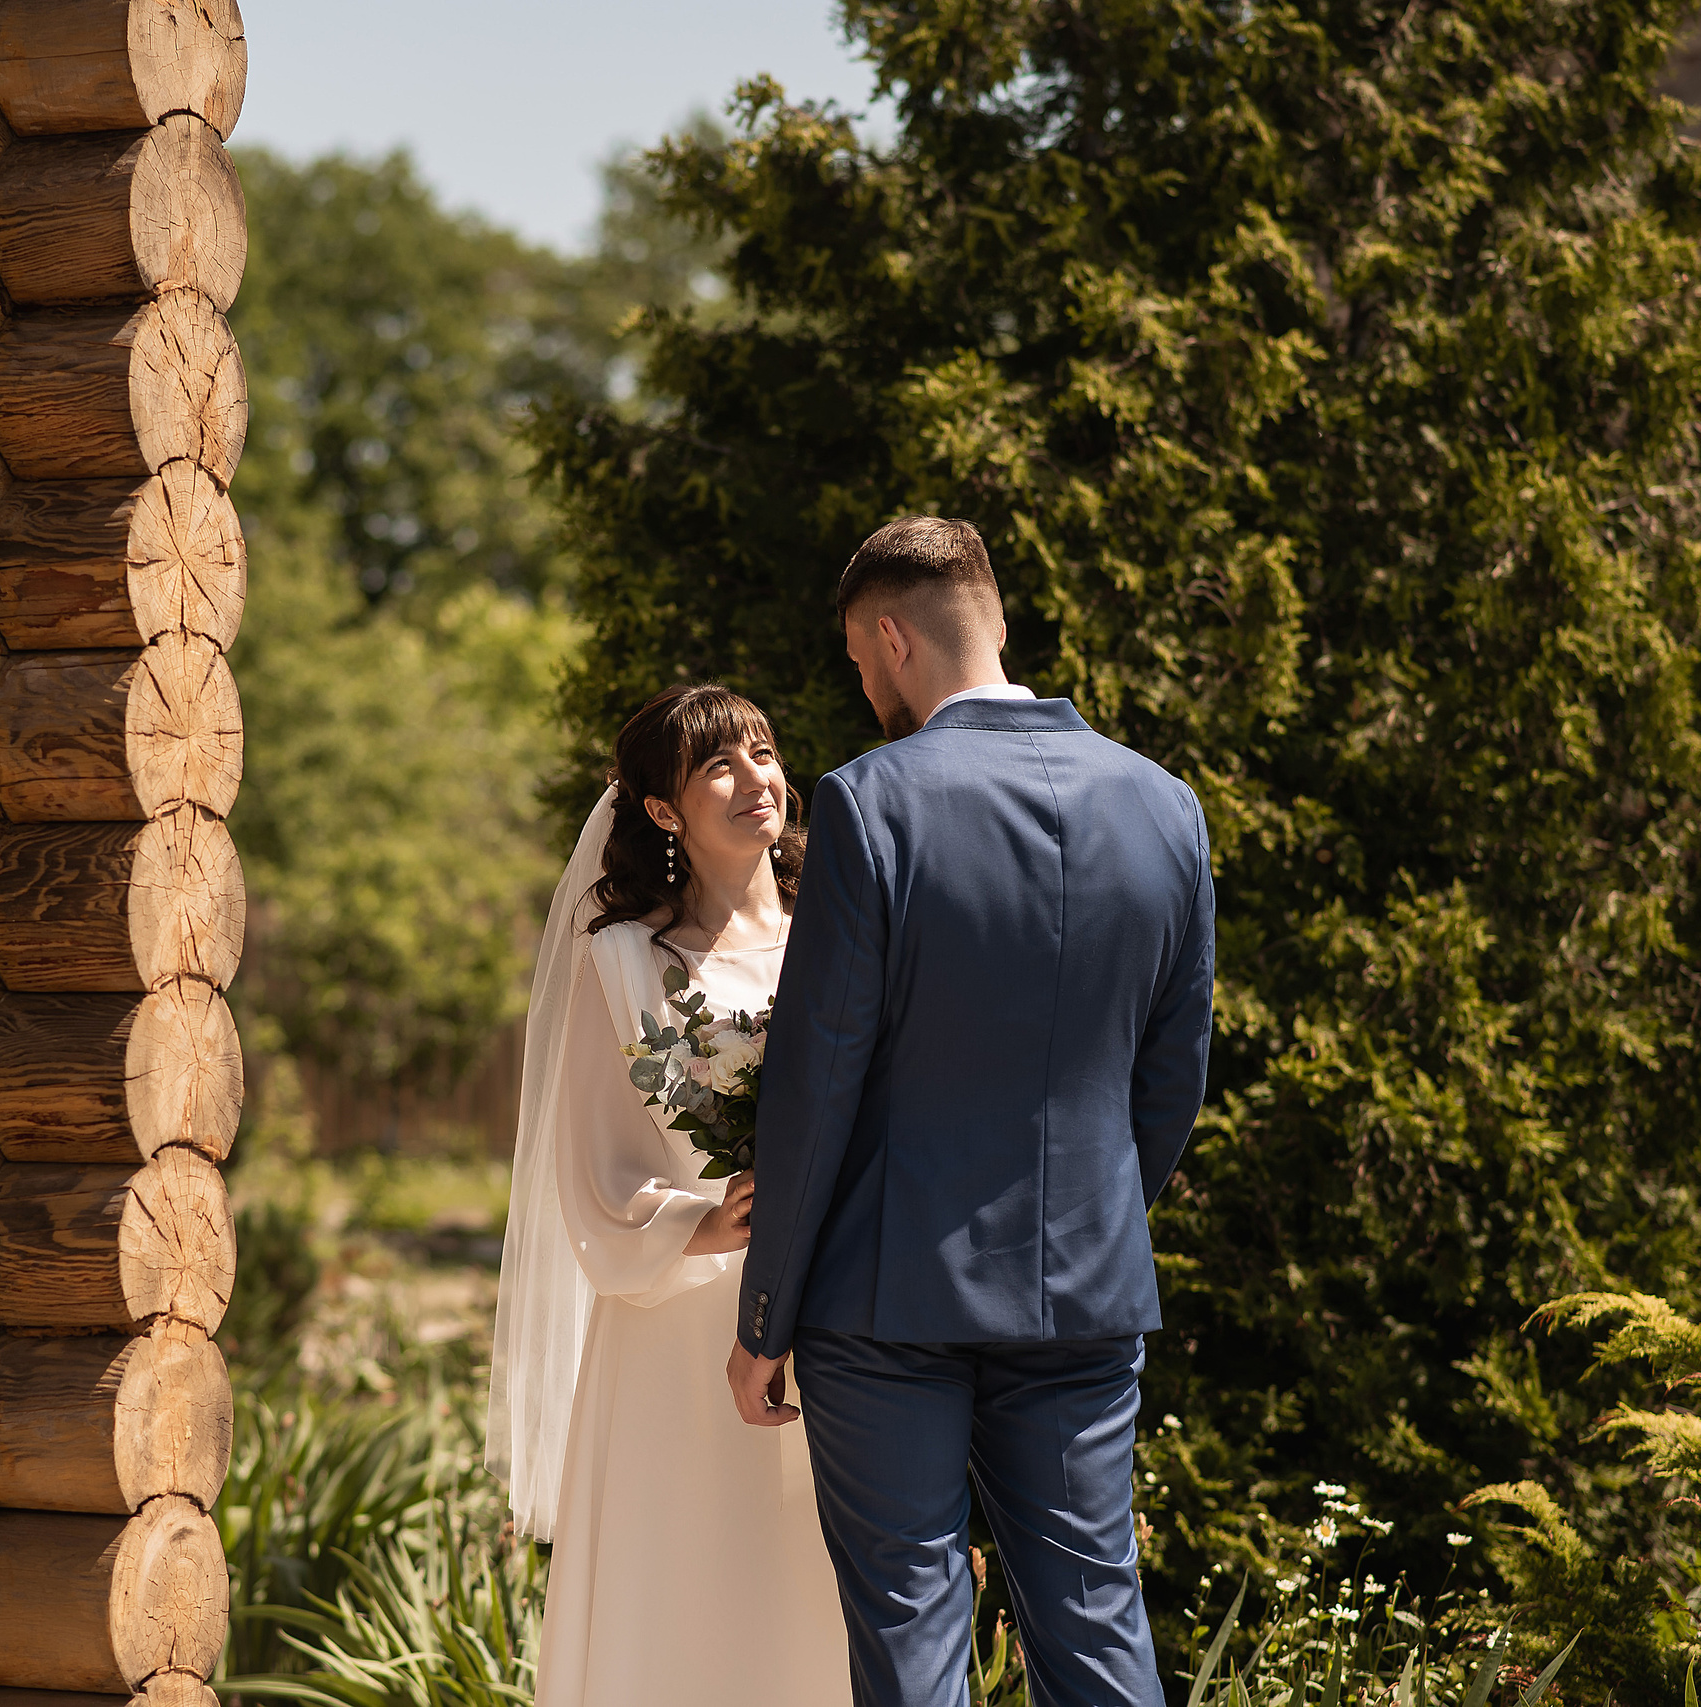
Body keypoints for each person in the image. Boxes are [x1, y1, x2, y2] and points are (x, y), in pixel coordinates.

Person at [727, 516, 1215, 1707]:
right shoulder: (1166, 808)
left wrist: (765, 1314)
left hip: (886, 1300)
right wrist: (1090, 1218)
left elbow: (819, 1073)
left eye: (854, 658)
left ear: (891, 638)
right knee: (1097, 1624)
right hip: (1083, 1292)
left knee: (913, 1635)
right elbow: (1171, 1075)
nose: (861, 682)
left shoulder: (867, 803)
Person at [489, 684, 851, 1707]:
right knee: (685, 1603)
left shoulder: (848, 932)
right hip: (675, 1334)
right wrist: (704, 1217)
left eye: (765, 752)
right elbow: (591, 1175)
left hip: (839, 1317)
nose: (758, 779)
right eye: (720, 766)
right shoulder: (620, 964)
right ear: (661, 811)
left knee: (817, 1605)